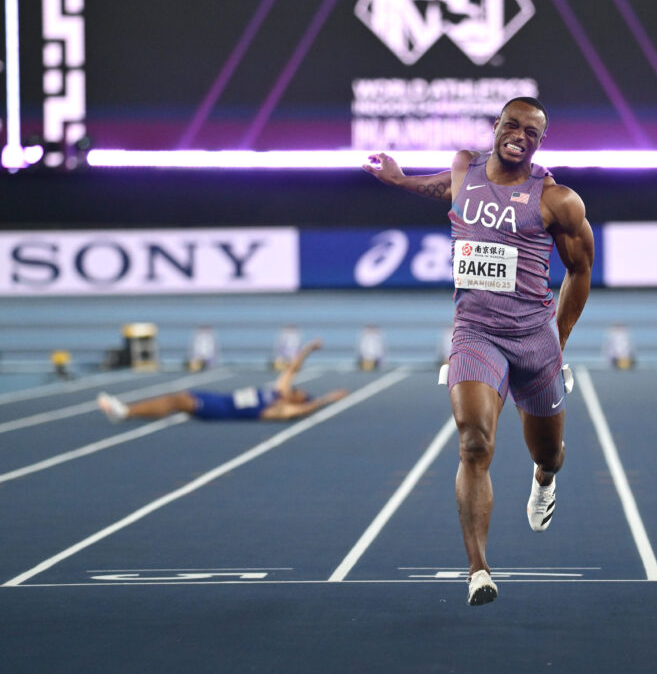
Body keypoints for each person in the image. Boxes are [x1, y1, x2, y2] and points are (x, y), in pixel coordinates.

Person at [363, 97, 594, 606]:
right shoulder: (464, 168)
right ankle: (479, 569)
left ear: (541, 142)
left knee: (548, 453)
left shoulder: (558, 201)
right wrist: (400, 180)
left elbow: (581, 271)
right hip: (475, 333)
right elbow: (443, 188)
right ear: (496, 127)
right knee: (474, 443)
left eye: (532, 132)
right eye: (512, 125)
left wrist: (559, 339)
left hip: (535, 339)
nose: (519, 135)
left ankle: (544, 480)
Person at [97, 338, 348, 422]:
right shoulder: (279, 391)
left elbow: (300, 411)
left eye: (299, 392)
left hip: (221, 410)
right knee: (177, 398)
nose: (296, 390)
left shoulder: (279, 407)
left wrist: (326, 399)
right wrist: (310, 348)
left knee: (176, 401)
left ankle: (125, 411)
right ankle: (126, 410)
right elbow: (293, 367)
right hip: (218, 398)